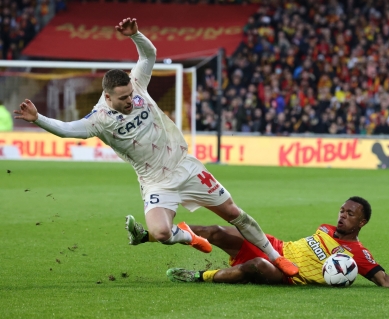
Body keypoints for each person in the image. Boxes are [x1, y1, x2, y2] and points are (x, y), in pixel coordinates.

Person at [13, 17, 298, 277]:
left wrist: (135, 35)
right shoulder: (98, 121)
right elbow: (65, 130)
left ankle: (275, 258)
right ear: (107, 96)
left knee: (235, 213)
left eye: (130, 95)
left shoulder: (137, 83)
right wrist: (38, 119)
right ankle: (188, 236)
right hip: (155, 182)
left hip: (184, 167)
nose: (129, 100)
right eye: (122, 98)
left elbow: (148, 55)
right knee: (161, 233)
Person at [166, 196, 389, 289]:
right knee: (216, 231)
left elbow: (383, 279)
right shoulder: (325, 228)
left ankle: (200, 276)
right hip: (274, 247)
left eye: (350, 214)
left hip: (285, 274)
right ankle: (157, 232)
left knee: (257, 265)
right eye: (342, 211)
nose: (342, 216)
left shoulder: (356, 253)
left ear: (362, 222)